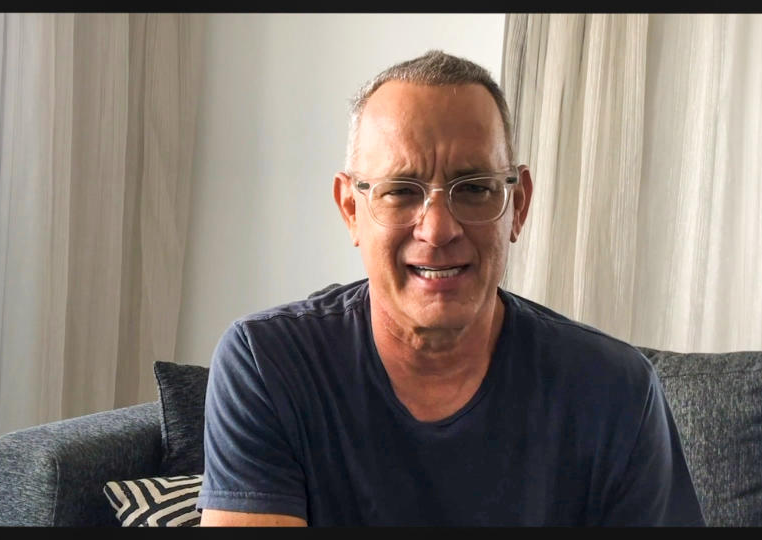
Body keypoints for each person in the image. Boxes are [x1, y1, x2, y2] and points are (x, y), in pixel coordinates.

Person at [196, 50, 705, 527]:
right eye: (401, 191)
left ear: (518, 205)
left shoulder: (616, 392)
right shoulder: (269, 364)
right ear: (351, 209)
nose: (437, 229)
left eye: (476, 188)